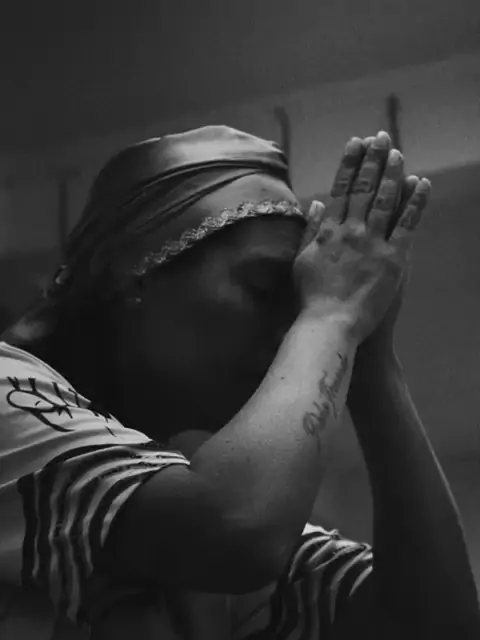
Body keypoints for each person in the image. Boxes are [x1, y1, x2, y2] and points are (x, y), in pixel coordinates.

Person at [0, 125, 478, 640]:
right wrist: (332, 315)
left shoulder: (185, 478)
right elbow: (233, 530)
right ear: (135, 268)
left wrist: (369, 357)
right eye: (264, 288)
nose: (289, 337)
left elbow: (435, 626)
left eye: (296, 313)